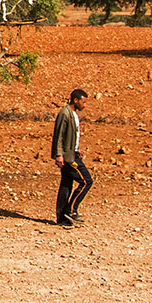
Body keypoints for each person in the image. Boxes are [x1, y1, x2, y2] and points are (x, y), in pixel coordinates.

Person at [52, 88, 93, 227]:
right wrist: (58, 155)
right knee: (86, 181)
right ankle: (71, 210)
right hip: (67, 157)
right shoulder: (64, 113)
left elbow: (71, 136)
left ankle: (62, 217)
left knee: (66, 184)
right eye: (83, 101)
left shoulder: (74, 114)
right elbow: (59, 135)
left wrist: (76, 149)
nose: (84, 105)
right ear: (76, 100)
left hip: (72, 153)